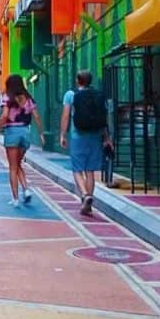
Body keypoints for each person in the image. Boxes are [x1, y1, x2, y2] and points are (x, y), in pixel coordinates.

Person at [59, 69, 111, 216]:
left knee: (77, 169)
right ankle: (88, 201)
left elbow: (65, 116)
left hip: (78, 136)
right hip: (95, 136)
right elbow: (104, 119)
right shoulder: (98, 95)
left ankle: (84, 195)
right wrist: (106, 138)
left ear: (77, 80)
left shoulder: (71, 95)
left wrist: (63, 134)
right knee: (90, 171)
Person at [0, 74, 45, 207]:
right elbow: (37, 116)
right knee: (18, 164)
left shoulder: (7, 97)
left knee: (12, 167)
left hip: (12, 132)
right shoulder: (28, 99)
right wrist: (41, 134)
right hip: (25, 133)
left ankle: (15, 199)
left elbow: (5, 115)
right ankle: (26, 190)